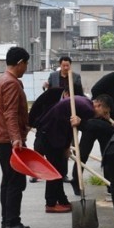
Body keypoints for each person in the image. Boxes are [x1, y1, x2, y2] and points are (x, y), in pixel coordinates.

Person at [0, 46, 34, 228]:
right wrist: (16, 138)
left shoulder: (2, 80)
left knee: (8, 181)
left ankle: (7, 220)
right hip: (10, 141)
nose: (26, 68)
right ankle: (12, 223)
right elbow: (10, 113)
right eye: (26, 64)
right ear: (20, 63)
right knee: (16, 182)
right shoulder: (11, 83)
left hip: (4, 140)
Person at [27, 82, 71, 213]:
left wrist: (67, 146)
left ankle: (62, 200)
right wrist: (30, 124)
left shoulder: (71, 104)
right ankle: (51, 203)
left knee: (60, 171)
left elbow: (69, 128)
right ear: (66, 93)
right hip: (46, 135)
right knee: (54, 170)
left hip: (59, 138)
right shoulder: (53, 94)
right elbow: (35, 107)